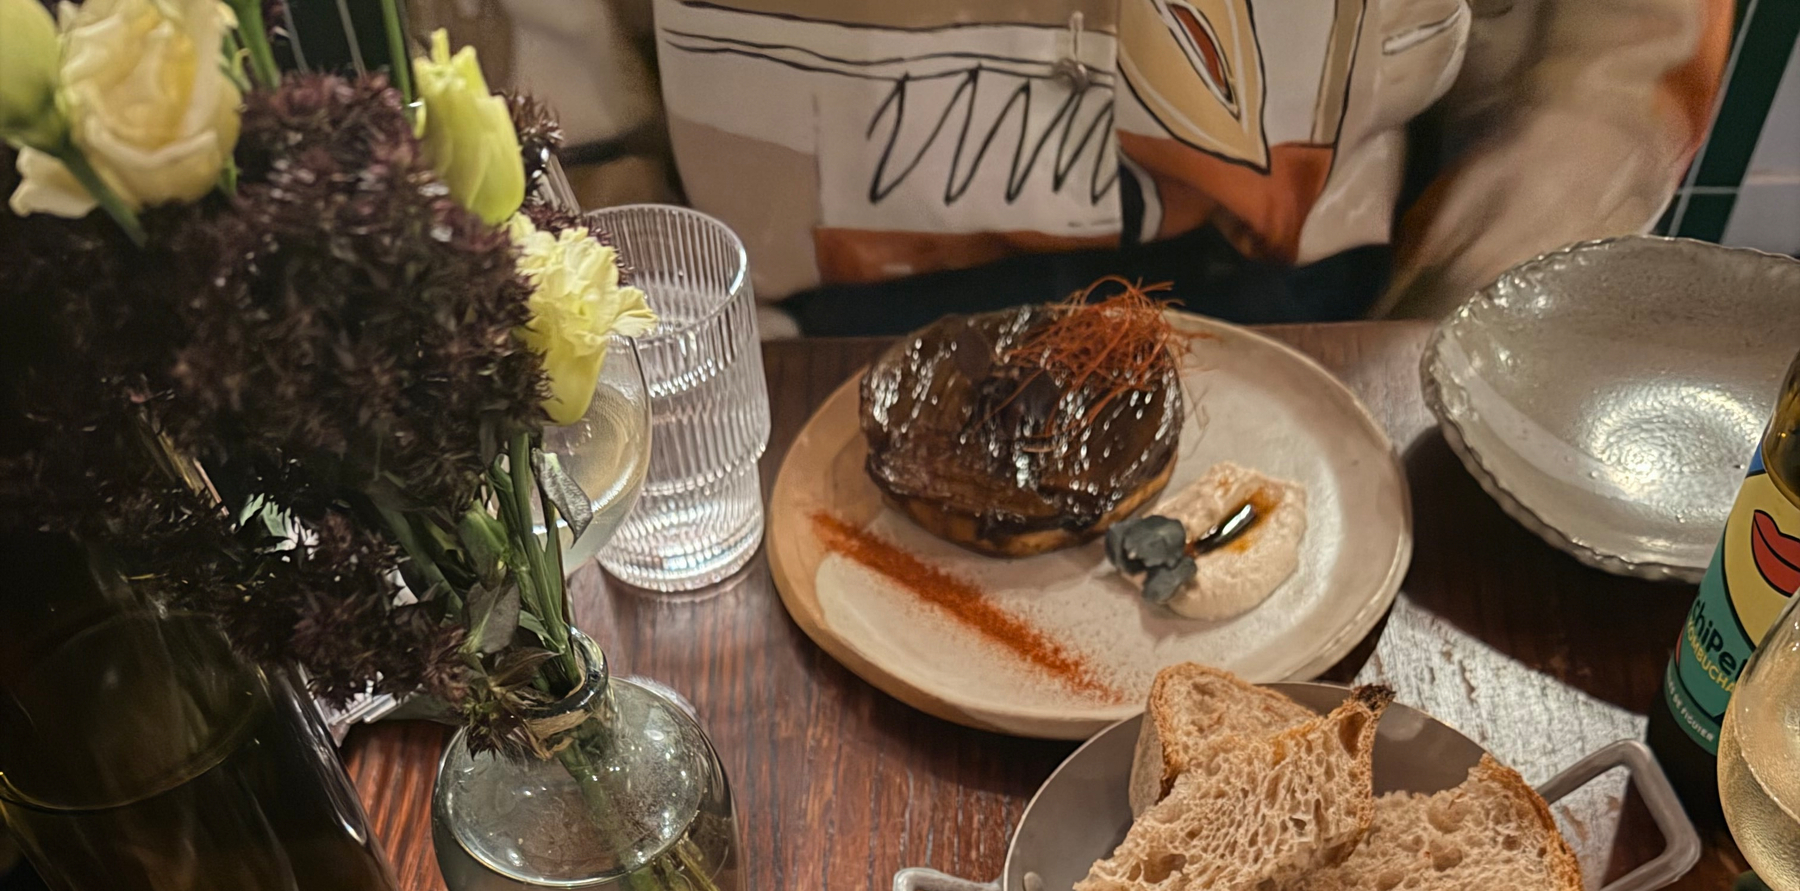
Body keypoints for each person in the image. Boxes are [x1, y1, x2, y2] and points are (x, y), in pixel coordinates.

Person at [429, 0, 1738, 330]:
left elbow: (1603, 64)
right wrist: (687, 359)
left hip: (1323, 297)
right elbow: (562, 113)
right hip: (793, 320)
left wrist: (1462, 343)